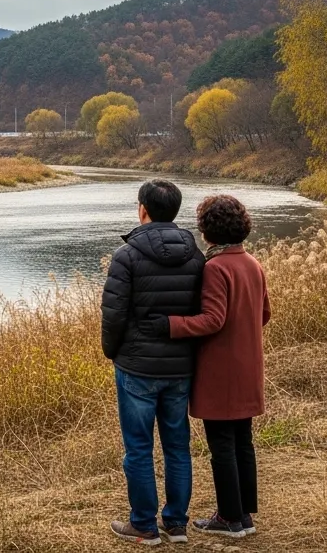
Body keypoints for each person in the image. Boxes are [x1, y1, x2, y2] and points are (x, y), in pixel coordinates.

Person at [142, 194, 269, 539]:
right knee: (242, 442)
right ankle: (243, 516)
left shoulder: (215, 267)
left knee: (222, 445)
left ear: (208, 231)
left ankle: (229, 519)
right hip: (249, 367)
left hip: (222, 371)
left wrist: (170, 324)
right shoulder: (252, 263)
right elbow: (265, 314)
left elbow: (212, 319)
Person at [102, 179, 206, 546]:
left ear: (143, 209)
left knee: (138, 448)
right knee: (178, 446)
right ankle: (176, 524)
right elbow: (199, 309)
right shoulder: (195, 255)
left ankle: (144, 526)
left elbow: (113, 315)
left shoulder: (126, 256)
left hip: (137, 368)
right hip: (180, 367)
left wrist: (112, 351)